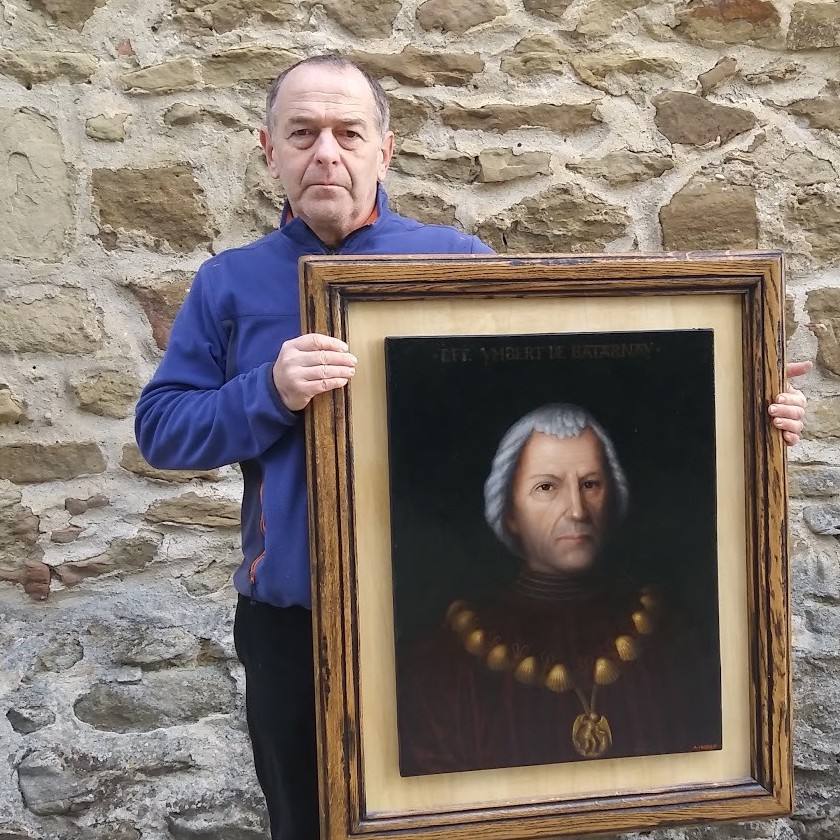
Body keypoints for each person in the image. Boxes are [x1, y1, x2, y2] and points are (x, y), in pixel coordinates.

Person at [134, 53, 809, 840]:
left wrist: (745, 412)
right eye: (303, 133)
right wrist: (269, 392)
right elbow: (162, 430)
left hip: (432, 615)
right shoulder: (229, 282)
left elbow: (557, 397)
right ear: (269, 149)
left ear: (384, 149)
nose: (327, 152)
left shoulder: (454, 262)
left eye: (349, 132)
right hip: (296, 623)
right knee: (306, 822)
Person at [397, 403, 721, 774]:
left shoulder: (669, 630)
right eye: (546, 487)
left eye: (590, 484)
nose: (577, 511)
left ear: (612, 495)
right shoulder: (450, 653)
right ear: (509, 512)